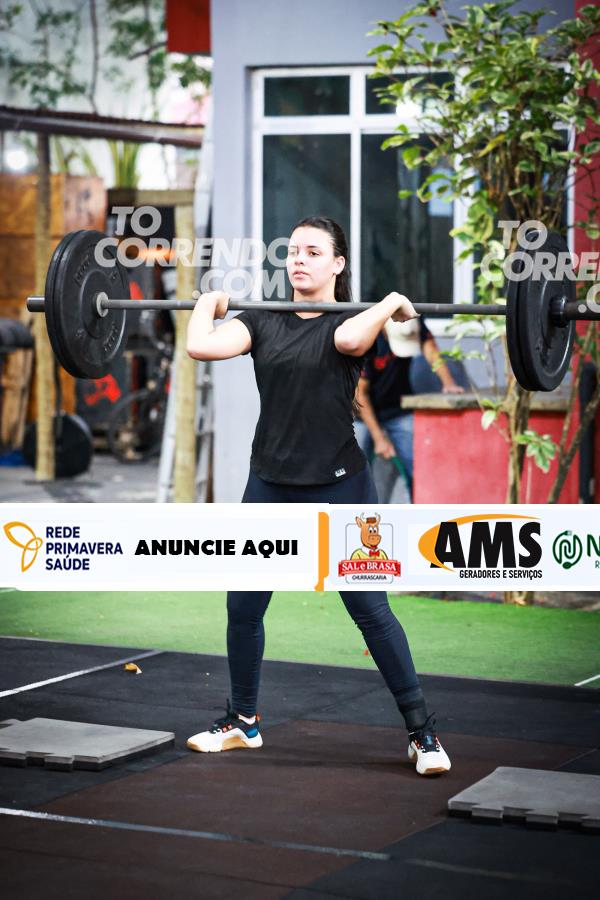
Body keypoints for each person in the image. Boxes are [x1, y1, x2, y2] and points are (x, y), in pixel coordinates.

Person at [185, 215, 451, 776]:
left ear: (337, 264)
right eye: (293, 251)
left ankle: (422, 733)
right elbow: (200, 347)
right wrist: (208, 303)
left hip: (341, 485)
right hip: (270, 482)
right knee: (243, 606)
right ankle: (243, 721)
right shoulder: (261, 319)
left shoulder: (353, 320)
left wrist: (391, 301)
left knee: (369, 610)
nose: (299, 259)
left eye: (312, 251)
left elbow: (349, 341)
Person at [355, 320, 465, 502]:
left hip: (398, 408)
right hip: (361, 413)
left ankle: (419, 510)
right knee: (356, 472)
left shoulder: (413, 321)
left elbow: (431, 350)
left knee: (419, 467)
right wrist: (379, 438)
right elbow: (360, 395)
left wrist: (449, 383)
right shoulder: (367, 338)